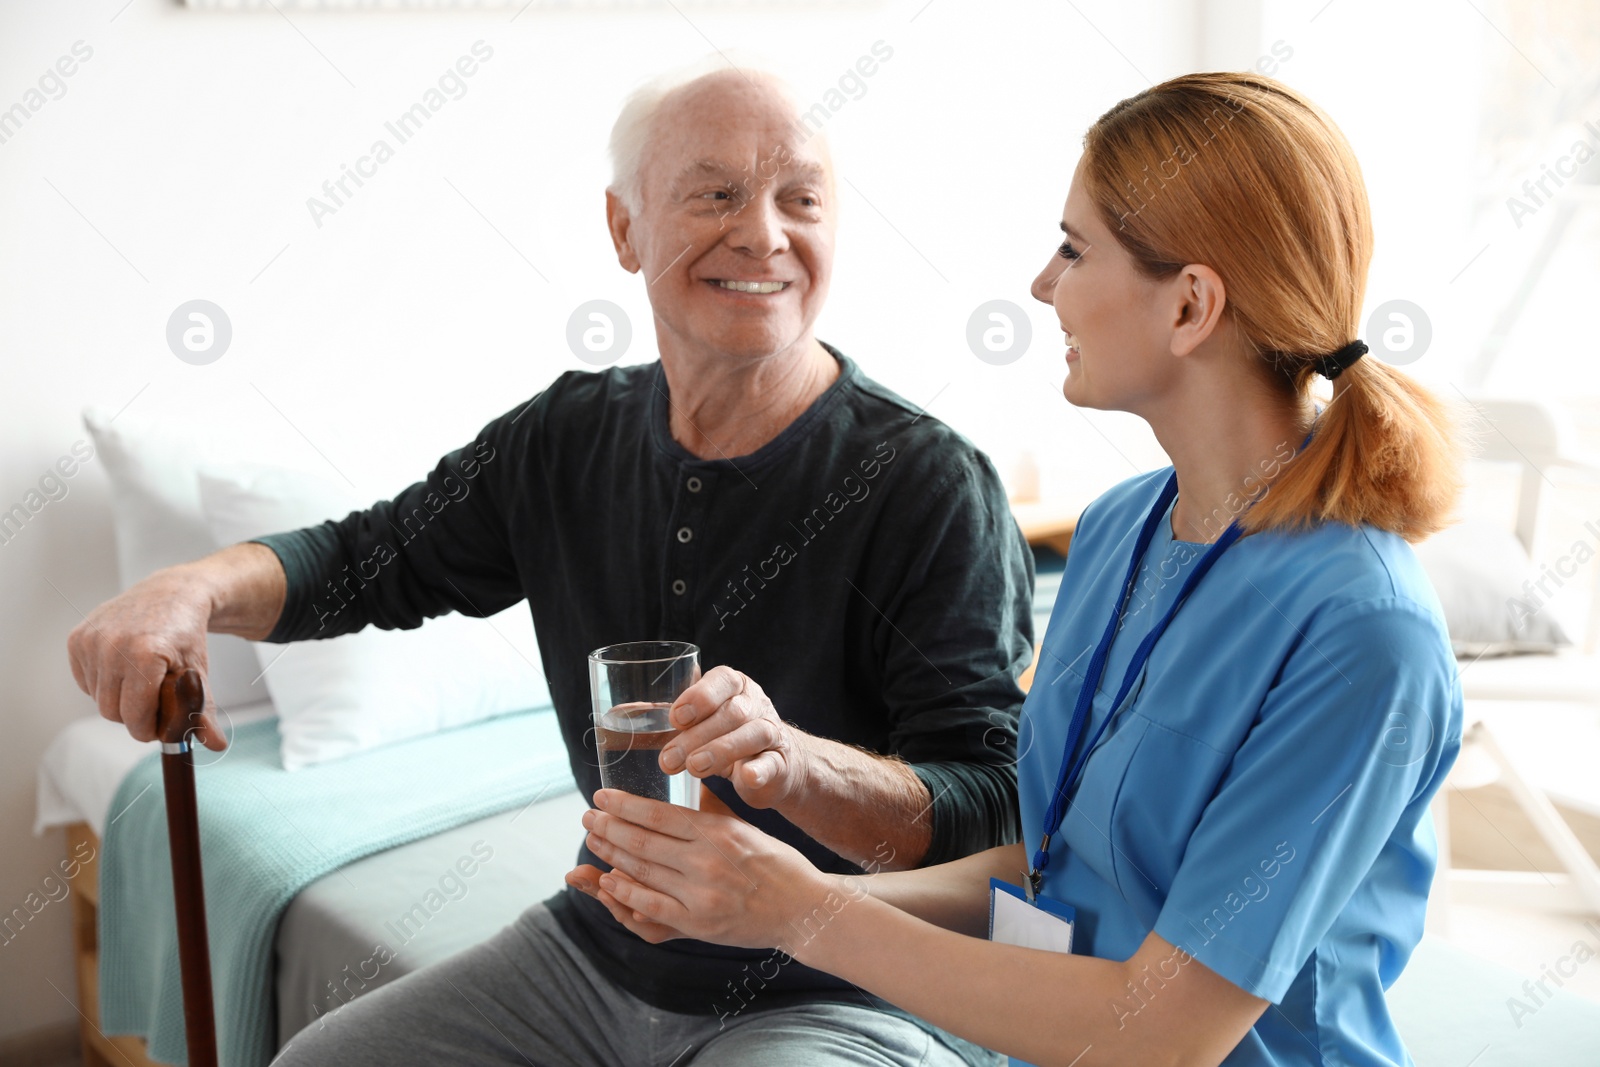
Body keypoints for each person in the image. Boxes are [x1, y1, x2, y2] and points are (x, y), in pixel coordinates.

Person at [66, 65, 1033, 1067]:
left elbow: (985, 809)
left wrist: (791, 761)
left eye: (801, 199)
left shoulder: (925, 481)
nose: (762, 232)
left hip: (842, 986)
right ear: (623, 229)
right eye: (714, 193)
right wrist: (190, 587)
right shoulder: (566, 437)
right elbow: (369, 558)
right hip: (592, 955)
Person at [577, 72, 1465, 1067]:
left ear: (1190, 305)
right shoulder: (1125, 528)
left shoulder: (1361, 632)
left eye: (1075, 249)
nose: (1044, 284)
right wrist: (749, 893)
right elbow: (1054, 871)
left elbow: (1164, 1031)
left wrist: (801, 910)